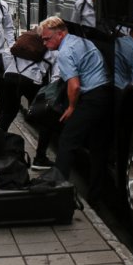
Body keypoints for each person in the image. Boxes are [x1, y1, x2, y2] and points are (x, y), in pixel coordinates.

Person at [37, 16, 113, 184]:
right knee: (97, 146)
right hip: (106, 93)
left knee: (67, 140)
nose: (45, 44)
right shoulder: (79, 41)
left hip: (92, 96)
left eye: (47, 39)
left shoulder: (65, 52)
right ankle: (95, 196)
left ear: (60, 34)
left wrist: (71, 108)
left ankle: (59, 184)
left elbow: (75, 85)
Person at [3, 29, 59, 169]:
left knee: (7, 115)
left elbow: (6, 54)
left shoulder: (23, 42)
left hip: (10, 77)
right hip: (31, 81)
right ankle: (40, 159)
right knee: (45, 120)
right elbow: (55, 77)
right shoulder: (53, 50)